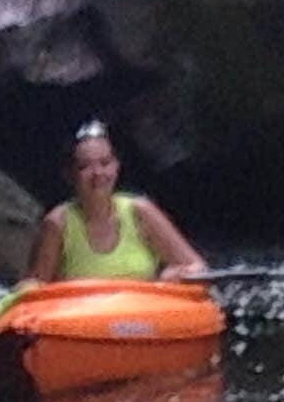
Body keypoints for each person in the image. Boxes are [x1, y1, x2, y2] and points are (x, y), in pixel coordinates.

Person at [25, 119, 208, 283]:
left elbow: (198, 268)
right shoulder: (57, 223)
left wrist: (175, 275)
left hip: (143, 316)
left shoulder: (140, 211)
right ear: (69, 175)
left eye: (105, 163)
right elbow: (34, 286)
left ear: (116, 167)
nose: (98, 174)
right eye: (85, 167)